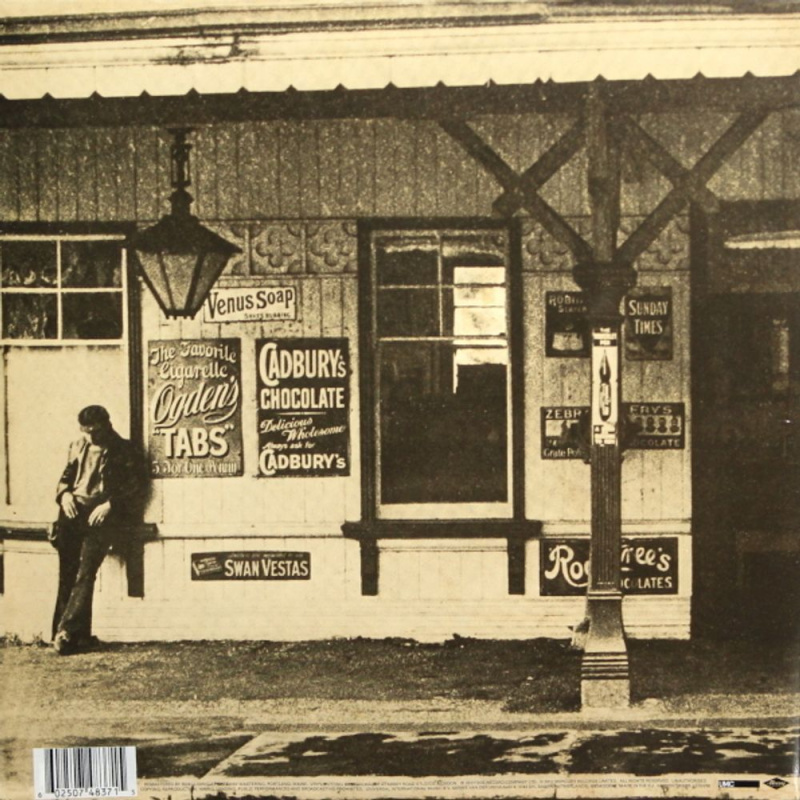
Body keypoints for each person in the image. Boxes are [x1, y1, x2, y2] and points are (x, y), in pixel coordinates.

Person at [51, 405, 144, 655]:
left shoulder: (124, 449)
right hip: (71, 514)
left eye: (95, 431)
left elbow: (136, 486)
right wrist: (64, 495)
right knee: (67, 573)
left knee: (86, 571)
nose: (90, 437)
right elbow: (65, 477)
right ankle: (74, 637)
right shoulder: (77, 446)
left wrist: (111, 505)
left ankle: (66, 632)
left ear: (107, 425)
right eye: (85, 431)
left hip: (102, 518)